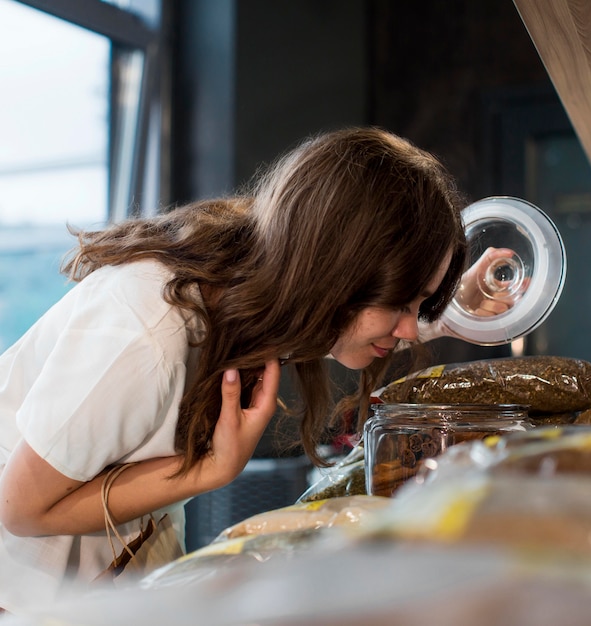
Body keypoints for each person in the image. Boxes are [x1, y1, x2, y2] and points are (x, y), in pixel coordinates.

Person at [0, 126, 467, 613]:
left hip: (103, 576)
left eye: (421, 303)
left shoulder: (261, 277)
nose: (411, 330)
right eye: (401, 303)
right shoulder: (145, 335)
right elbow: (21, 510)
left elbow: (346, 328)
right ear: (335, 274)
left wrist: (453, 310)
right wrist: (210, 471)